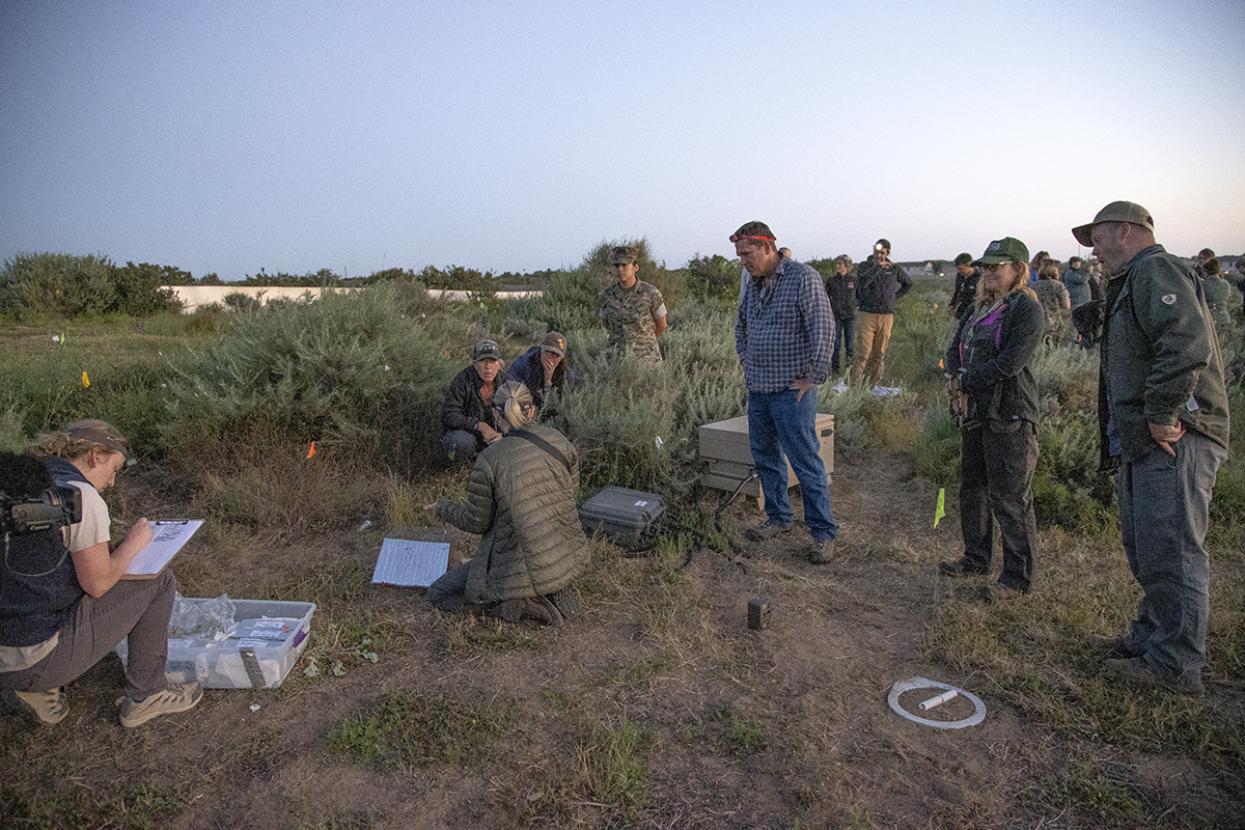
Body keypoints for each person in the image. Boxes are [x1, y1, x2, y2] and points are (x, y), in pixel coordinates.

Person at [1073, 201, 1230, 694]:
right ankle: (1151, 636)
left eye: (1097, 238)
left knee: (1173, 548)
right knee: (1147, 546)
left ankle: (1174, 664)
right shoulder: (1134, 278)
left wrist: (1162, 413)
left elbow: (1186, 344)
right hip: (1147, 438)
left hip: (1176, 436)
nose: (1093, 251)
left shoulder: (1155, 268)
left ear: (1126, 230)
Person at [0, 420, 203, 727]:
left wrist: (115, 552)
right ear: (96, 456)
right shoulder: (80, 496)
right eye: (116, 469)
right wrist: (133, 545)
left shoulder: (26, 484)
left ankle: (36, 688)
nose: (111, 482)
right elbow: (97, 584)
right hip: (33, 656)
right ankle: (147, 693)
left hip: (10, 640)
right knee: (159, 581)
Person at [427, 380, 589, 625]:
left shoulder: (489, 460)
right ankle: (551, 588)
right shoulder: (560, 441)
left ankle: (519, 604)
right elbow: (569, 495)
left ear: (495, 414)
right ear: (532, 410)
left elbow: (477, 522)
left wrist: (442, 508)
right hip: (568, 553)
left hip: (522, 560)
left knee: (438, 592)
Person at [938, 239, 1044, 602]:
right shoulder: (978, 308)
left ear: (1018, 269)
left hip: (1010, 415)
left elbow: (1010, 363)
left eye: (997, 266)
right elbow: (954, 349)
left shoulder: (1026, 310)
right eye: (986, 266)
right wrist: (954, 376)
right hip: (976, 414)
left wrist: (964, 381)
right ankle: (975, 559)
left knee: (1011, 498)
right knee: (973, 490)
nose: (989, 272)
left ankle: (1017, 579)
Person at [733, 220, 839, 563]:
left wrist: (814, 377)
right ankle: (779, 517)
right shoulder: (752, 282)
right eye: (739, 256)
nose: (743, 262)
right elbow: (742, 327)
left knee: (805, 461)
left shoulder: (802, 277)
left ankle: (823, 533)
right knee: (765, 457)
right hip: (759, 388)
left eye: (747, 254)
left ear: (767, 247)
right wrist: (748, 362)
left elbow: (823, 327)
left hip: (792, 390)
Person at [442, 339, 515, 465]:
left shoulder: (509, 384)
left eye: (492, 361)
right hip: (470, 435)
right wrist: (479, 426)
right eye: (482, 361)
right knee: (460, 442)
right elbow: (449, 416)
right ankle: (460, 470)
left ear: (499, 364)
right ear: (475, 364)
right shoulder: (462, 381)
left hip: (498, 437)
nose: (488, 367)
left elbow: (522, 417)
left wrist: (504, 435)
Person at [851, 238, 912, 387]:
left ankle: (873, 384)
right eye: (876, 252)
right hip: (867, 314)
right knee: (863, 352)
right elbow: (863, 282)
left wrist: (894, 297)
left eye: (882, 253)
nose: (879, 255)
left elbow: (908, 283)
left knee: (879, 353)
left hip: (886, 315)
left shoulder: (894, 269)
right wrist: (878, 267)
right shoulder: (864, 266)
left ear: (888, 252)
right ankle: (855, 385)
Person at [598, 245, 667, 365]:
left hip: (647, 361)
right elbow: (606, 324)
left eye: (624, 265)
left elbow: (662, 324)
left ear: (635, 267)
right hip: (616, 360)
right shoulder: (606, 296)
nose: (620, 269)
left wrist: (644, 341)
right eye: (616, 265)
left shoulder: (651, 292)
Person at [508, 331, 575, 417]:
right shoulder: (525, 363)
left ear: (561, 359)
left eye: (556, 355)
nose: (551, 358)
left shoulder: (567, 376)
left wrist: (548, 382)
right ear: (541, 351)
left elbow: (557, 407)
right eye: (548, 352)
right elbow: (509, 385)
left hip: (548, 417)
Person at [824, 255, 856, 376]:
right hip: (835, 316)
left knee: (850, 345)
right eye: (836, 264)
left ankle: (849, 371)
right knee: (835, 344)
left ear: (847, 266)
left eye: (840, 264)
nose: (837, 266)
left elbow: (860, 295)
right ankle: (835, 371)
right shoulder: (831, 281)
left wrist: (855, 305)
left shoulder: (854, 280)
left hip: (850, 316)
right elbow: (825, 296)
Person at [1033, 263, 1072, 346]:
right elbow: (1067, 305)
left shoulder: (1034, 285)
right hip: (1054, 323)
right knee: (1052, 349)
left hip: (1037, 322)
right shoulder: (1058, 285)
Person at [1199, 259, 1233, 346]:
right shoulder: (1226, 284)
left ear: (1205, 270)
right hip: (1224, 317)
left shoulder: (1203, 284)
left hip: (1209, 318)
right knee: (1223, 347)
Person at [949, 252, 981, 320]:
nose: (958, 271)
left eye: (960, 268)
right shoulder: (960, 276)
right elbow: (957, 291)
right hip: (959, 314)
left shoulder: (979, 278)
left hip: (974, 315)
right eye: (957, 268)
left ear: (968, 265)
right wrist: (952, 305)